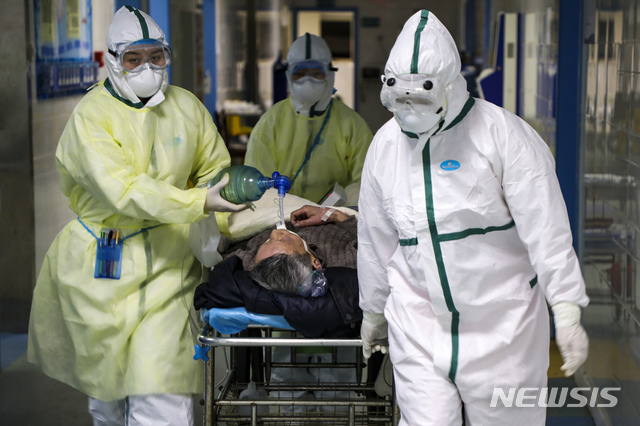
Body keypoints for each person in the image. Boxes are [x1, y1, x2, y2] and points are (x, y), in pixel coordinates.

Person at [357, 10, 589, 426]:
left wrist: (567, 308)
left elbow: (547, 230)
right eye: (399, 100)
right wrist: (372, 311)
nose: (408, 110)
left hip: (503, 325)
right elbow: (375, 240)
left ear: (448, 87)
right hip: (419, 322)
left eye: (420, 98)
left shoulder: (504, 136)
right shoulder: (385, 146)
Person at [27, 6, 247, 426]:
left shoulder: (186, 107)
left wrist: (217, 209)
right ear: (112, 61)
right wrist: (197, 202)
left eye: (156, 56)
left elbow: (215, 167)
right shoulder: (91, 117)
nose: (147, 67)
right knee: (106, 398)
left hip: (170, 268)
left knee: (161, 392)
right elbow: (123, 189)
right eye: (133, 59)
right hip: (102, 270)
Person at [244, 33, 373, 206]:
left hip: (335, 220)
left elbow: (367, 184)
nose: (308, 81)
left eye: (316, 73)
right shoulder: (270, 123)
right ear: (289, 75)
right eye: (300, 73)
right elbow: (256, 184)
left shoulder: (352, 125)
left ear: (329, 75)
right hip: (280, 218)